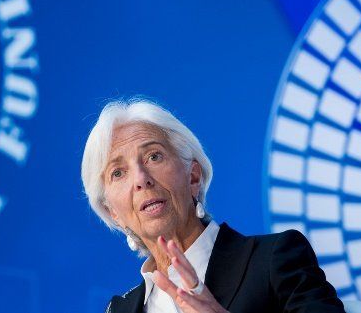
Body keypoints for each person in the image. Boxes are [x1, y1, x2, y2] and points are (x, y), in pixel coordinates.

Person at [81, 98, 344, 313]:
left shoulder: (274, 260)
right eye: (118, 172)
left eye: (154, 156)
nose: (141, 179)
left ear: (193, 177)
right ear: (113, 213)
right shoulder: (120, 309)